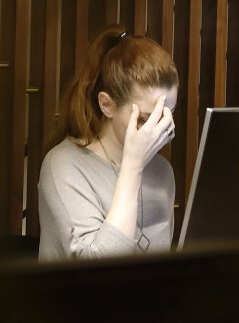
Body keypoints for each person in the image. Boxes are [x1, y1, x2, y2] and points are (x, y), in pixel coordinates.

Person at [37, 24, 178, 261]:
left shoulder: (162, 171)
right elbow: (98, 271)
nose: (159, 129)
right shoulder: (62, 165)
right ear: (107, 105)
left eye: (167, 115)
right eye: (145, 119)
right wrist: (133, 167)